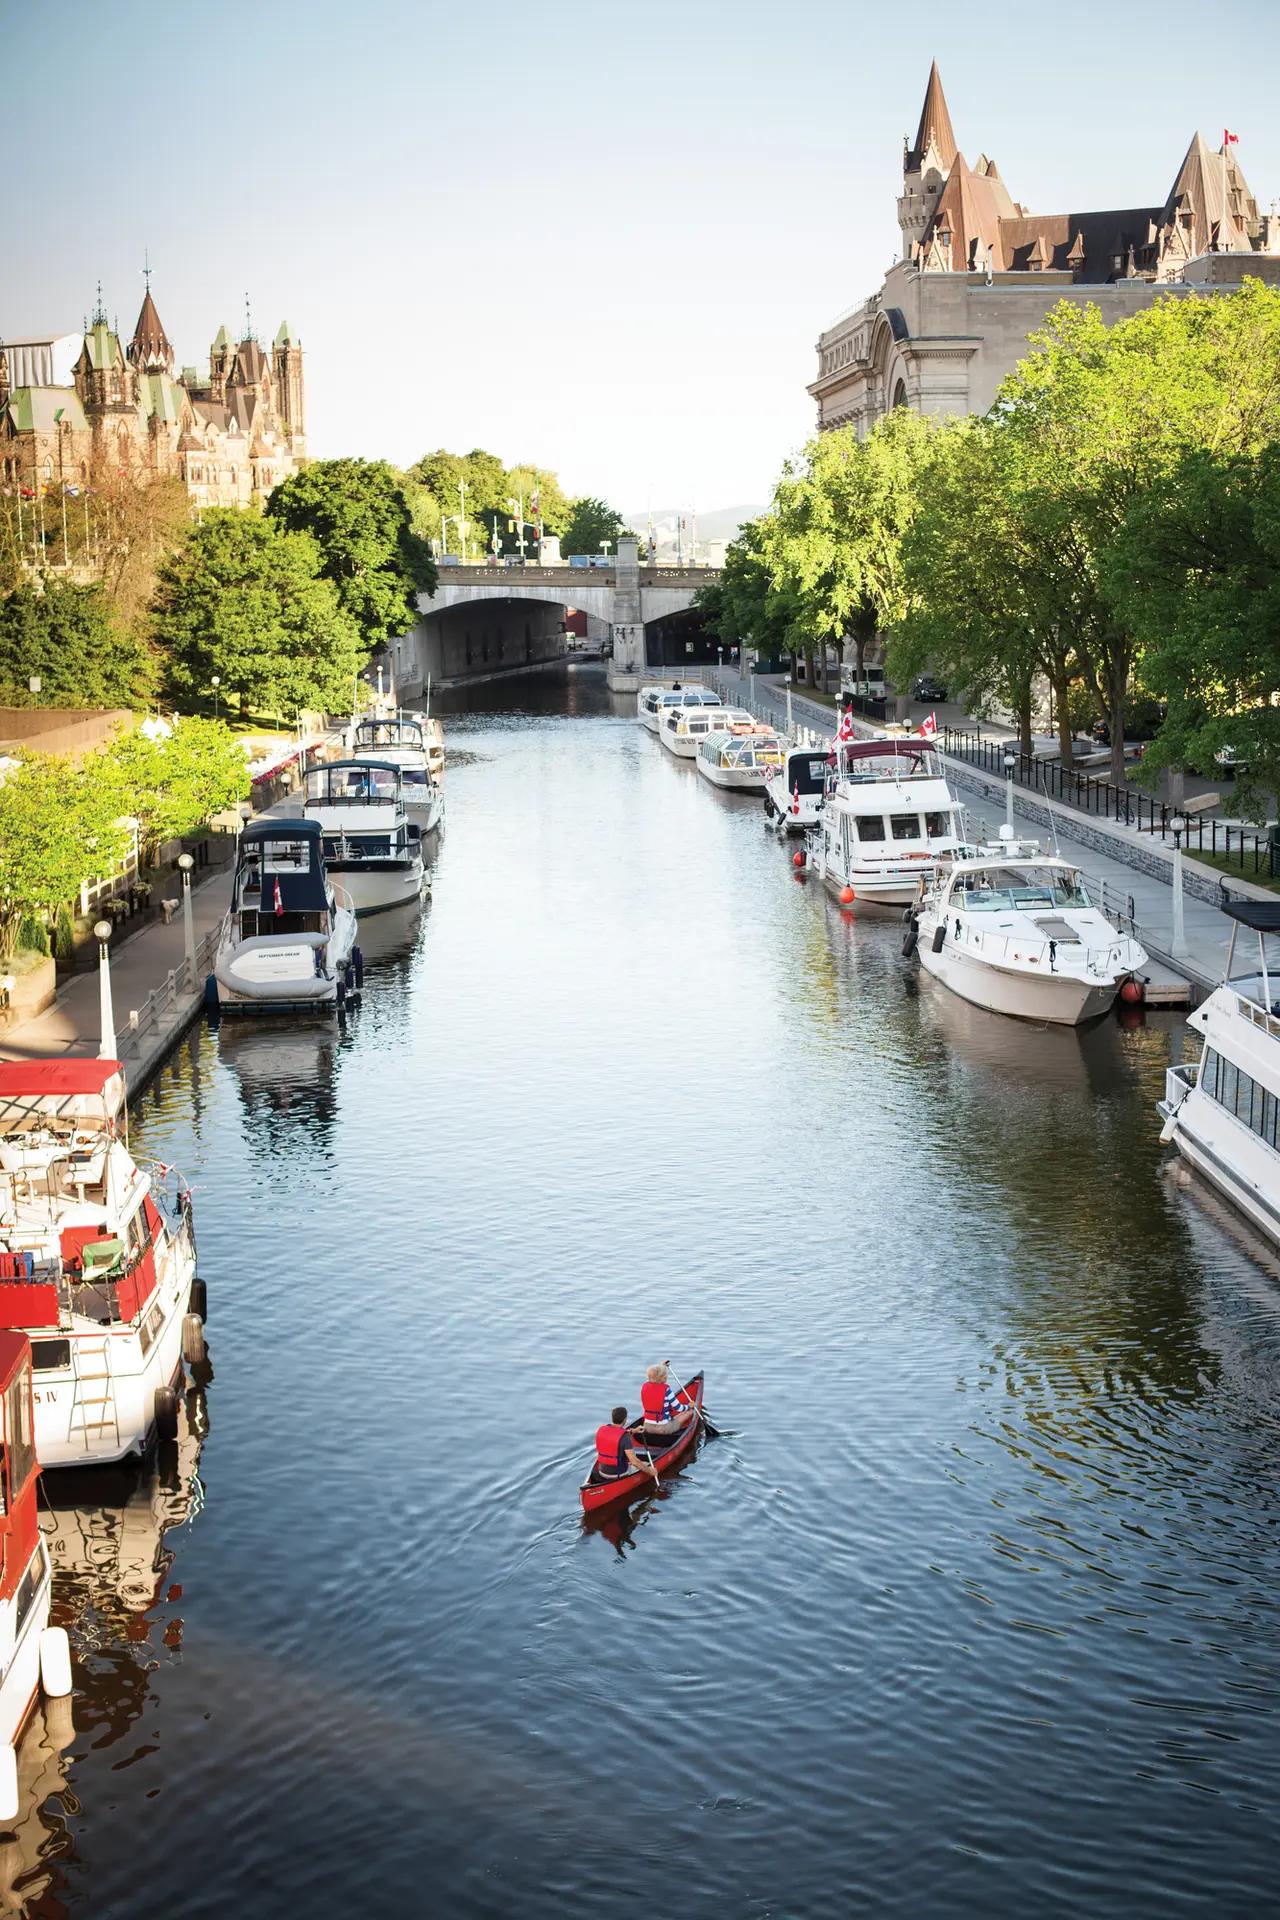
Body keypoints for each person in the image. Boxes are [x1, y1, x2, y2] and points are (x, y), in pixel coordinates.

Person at [594, 1406, 654, 1481]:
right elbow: (634, 1462)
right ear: (625, 1419)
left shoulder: (602, 1430)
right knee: (646, 1464)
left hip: (602, 1471)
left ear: (612, 1418)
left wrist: (634, 1431)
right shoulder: (625, 1438)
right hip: (617, 1474)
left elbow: (616, 1435)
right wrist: (651, 1471)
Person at [640, 1364, 696, 1438]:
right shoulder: (667, 1390)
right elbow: (678, 1408)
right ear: (664, 1377)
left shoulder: (644, 1386)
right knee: (690, 1411)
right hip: (663, 1429)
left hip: (647, 1427)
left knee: (672, 1417)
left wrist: (661, 1366)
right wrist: (689, 1406)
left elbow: (654, 1375)